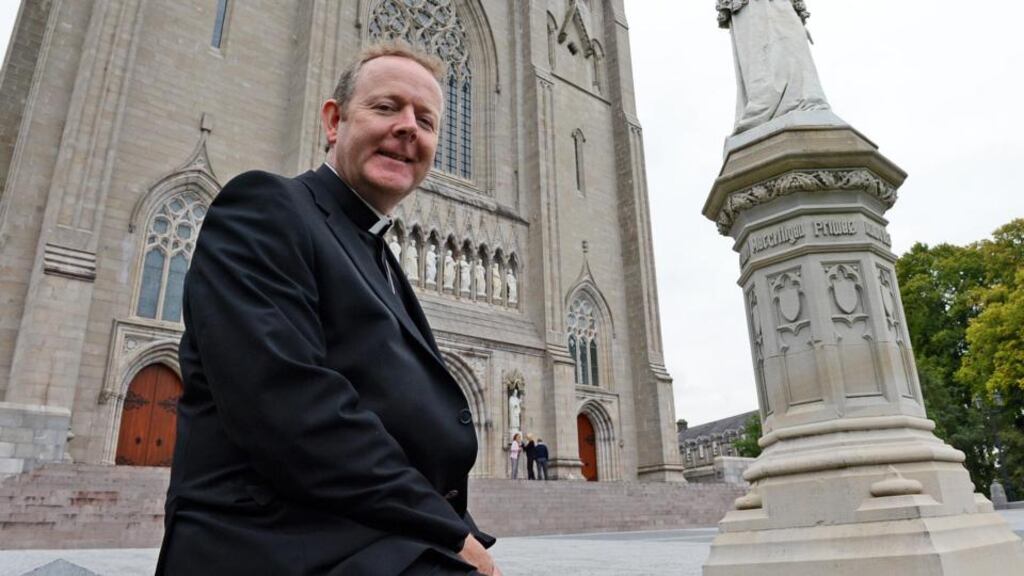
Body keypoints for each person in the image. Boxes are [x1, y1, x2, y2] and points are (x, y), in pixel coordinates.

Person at [157, 42, 500, 576]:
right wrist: (449, 532)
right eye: (386, 108)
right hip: (270, 542)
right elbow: (290, 405)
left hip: (363, 533)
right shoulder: (266, 207)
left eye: (427, 120)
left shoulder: (376, 253)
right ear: (334, 121)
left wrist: (459, 533)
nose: (409, 127)